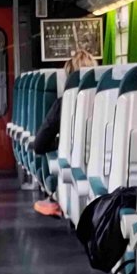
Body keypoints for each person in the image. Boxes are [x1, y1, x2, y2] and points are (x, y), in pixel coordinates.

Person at [32, 49, 97, 217]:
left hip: (73, 174)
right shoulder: (111, 100)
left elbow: (39, 145)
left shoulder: (63, 104)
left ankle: (55, 198)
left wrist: (61, 142)